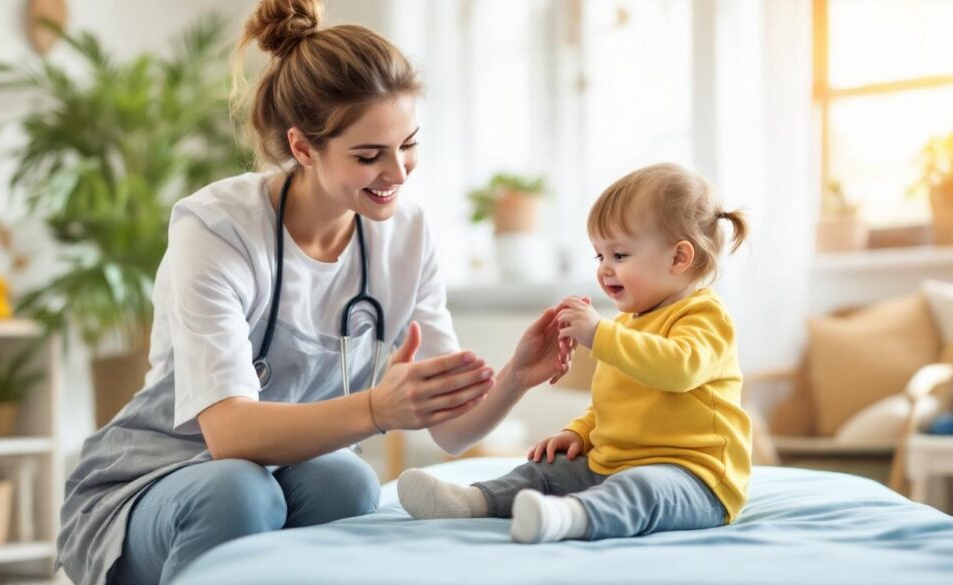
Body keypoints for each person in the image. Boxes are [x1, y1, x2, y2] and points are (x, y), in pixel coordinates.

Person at [55, 1, 572, 583]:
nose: (399, 173)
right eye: (369, 155)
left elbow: (450, 430)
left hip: (277, 473)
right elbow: (229, 434)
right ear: (302, 148)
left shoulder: (408, 234)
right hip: (157, 480)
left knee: (346, 480)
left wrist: (516, 379)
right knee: (239, 490)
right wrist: (378, 408)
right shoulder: (216, 228)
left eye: (408, 144)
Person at [398, 162, 753, 544]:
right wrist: (578, 433)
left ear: (679, 258)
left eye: (618, 255)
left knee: (642, 490)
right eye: (599, 257)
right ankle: (472, 501)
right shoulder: (632, 324)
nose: (604, 270)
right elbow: (614, 403)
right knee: (545, 472)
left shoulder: (705, 315)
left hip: (694, 478)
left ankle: (570, 517)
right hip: (614, 465)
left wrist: (601, 333)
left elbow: (678, 369)